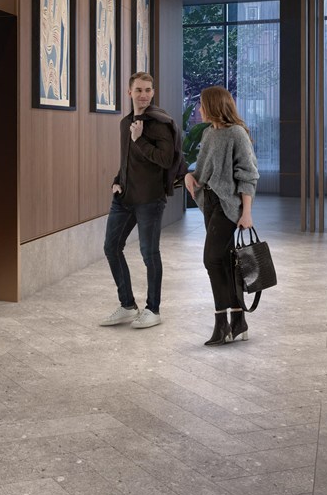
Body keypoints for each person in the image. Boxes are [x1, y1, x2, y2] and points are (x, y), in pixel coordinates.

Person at [99, 72, 178, 329]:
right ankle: (127, 306)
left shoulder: (161, 123)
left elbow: (165, 160)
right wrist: (116, 178)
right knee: (111, 247)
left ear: (153, 92)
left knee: (149, 253)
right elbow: (127, 160)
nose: (143, 95)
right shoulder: (125, 123)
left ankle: (153, 310)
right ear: (129, 92)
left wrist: (140, 139)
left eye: (147, 90)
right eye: (138, 90)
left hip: (150, 200)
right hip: (124, 197)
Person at [184, 86, 260, 347]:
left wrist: (246, 212)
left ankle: (221, 324)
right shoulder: (209, 133)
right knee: (225, 263)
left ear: (214, 106)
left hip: (230, 207)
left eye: (203, 105)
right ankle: (238, 321)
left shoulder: (236, 134)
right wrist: (188, 176)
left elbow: (248, 175)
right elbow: (202, 170)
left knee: (211, 259)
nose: (199, 110)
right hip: (210, 204)